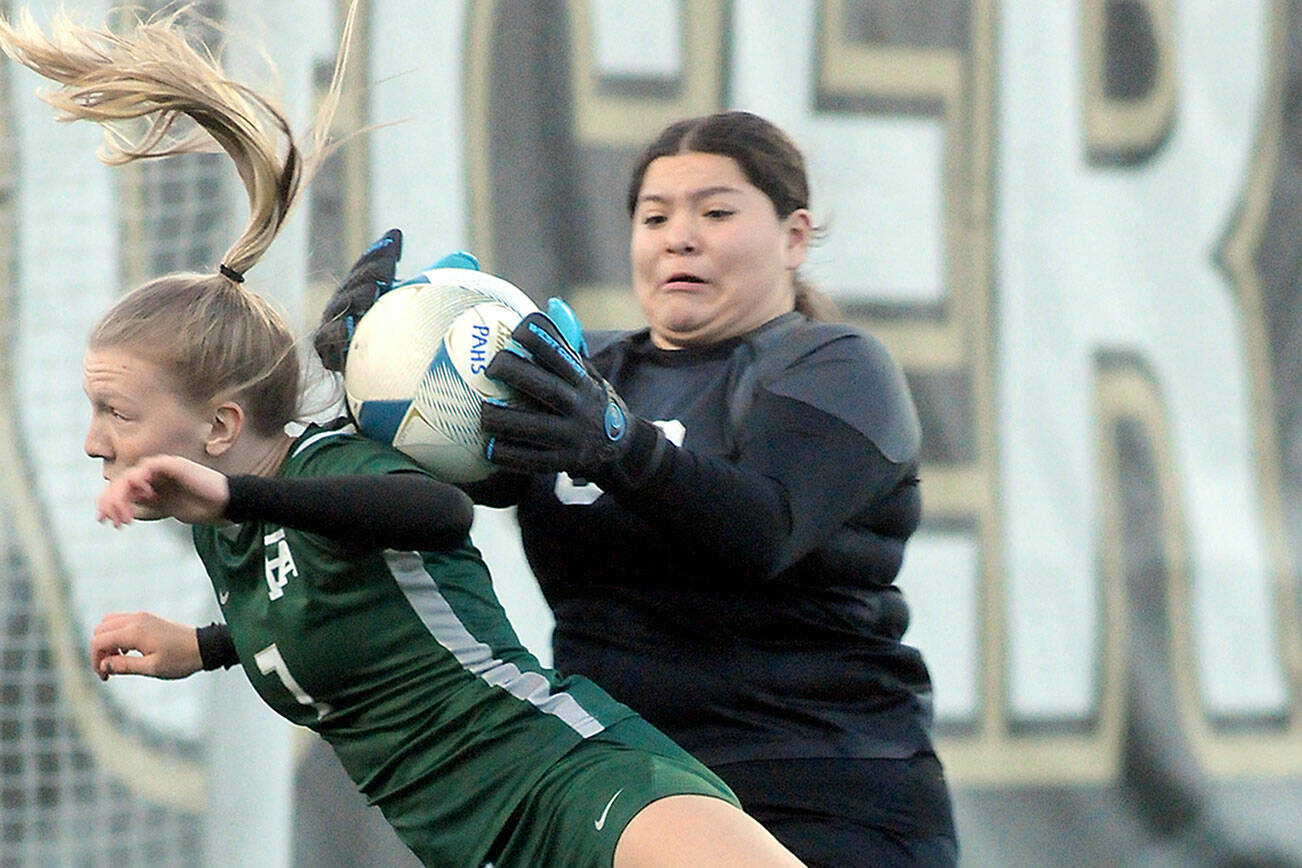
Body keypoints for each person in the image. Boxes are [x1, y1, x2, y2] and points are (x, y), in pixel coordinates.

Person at [0, 10, 806, 867]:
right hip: (474, 846)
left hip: (571, 780)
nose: (93, 442)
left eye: (116, 412)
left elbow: (434, 515)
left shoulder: (323, 470)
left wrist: (236, 493)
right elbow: (327, 602)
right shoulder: (227, 532)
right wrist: (204, 647)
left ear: (222, 426)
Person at [148, 110, 961, 865]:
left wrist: (618, 445)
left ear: (794, 237)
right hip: (617, 782)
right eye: (655, 217)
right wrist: (366, 386)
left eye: (715, 213)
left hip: (823, 791)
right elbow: (416, 506)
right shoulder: (582, 373)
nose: (680, 238)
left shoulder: (835, 367)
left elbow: (766, 530)